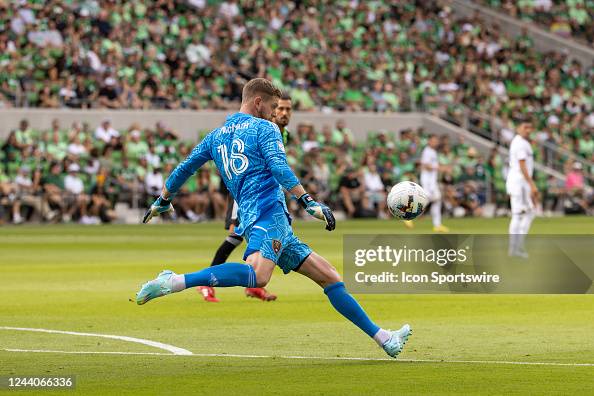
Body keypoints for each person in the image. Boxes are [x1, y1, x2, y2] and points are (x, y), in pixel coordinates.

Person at [136, 78, 411, 358]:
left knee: (330, 278)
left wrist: (163, 200)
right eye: (271, 106)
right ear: (258, 102)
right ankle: (175, 281)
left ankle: (384, 338)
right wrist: (308, 201)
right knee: (259, 276)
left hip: (258, 217)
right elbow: (279, 167)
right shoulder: (265, 129)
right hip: (269, 214)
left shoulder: (216, 136)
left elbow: (184, 168)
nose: (273, 113)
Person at [197, 93, 294, 303]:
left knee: (264, 239)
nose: (284, 113)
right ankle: (206, 282)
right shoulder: (259, 127)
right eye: (280, 108)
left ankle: (254, 285)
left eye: (288, 109)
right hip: (245, 194)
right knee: (234, 237)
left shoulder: (283, 134)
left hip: (265, 197)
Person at [506, 122, 538, 258]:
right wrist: (532, 184)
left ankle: (515, 247)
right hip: (520, 182)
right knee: (522, 214)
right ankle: (516, 248)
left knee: (524, 213)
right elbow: (522, 164)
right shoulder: (520, 143)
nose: (528, 130)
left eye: (529, 127)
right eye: (525, 127)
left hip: (519, 182)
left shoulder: (521, 142)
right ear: (518, 128)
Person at [420, 135, 449, 232]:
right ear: (429, 141)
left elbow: (434, 165)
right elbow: (426, 166)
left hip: (432, 181)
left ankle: (437, 225)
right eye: (433, 141)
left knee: (437, 199)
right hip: (427, 180)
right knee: (427, 198)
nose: (435, 142)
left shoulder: (433, 152)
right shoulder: (427, 151)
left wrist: (443, 167)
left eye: (436, 141)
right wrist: (441, 168)